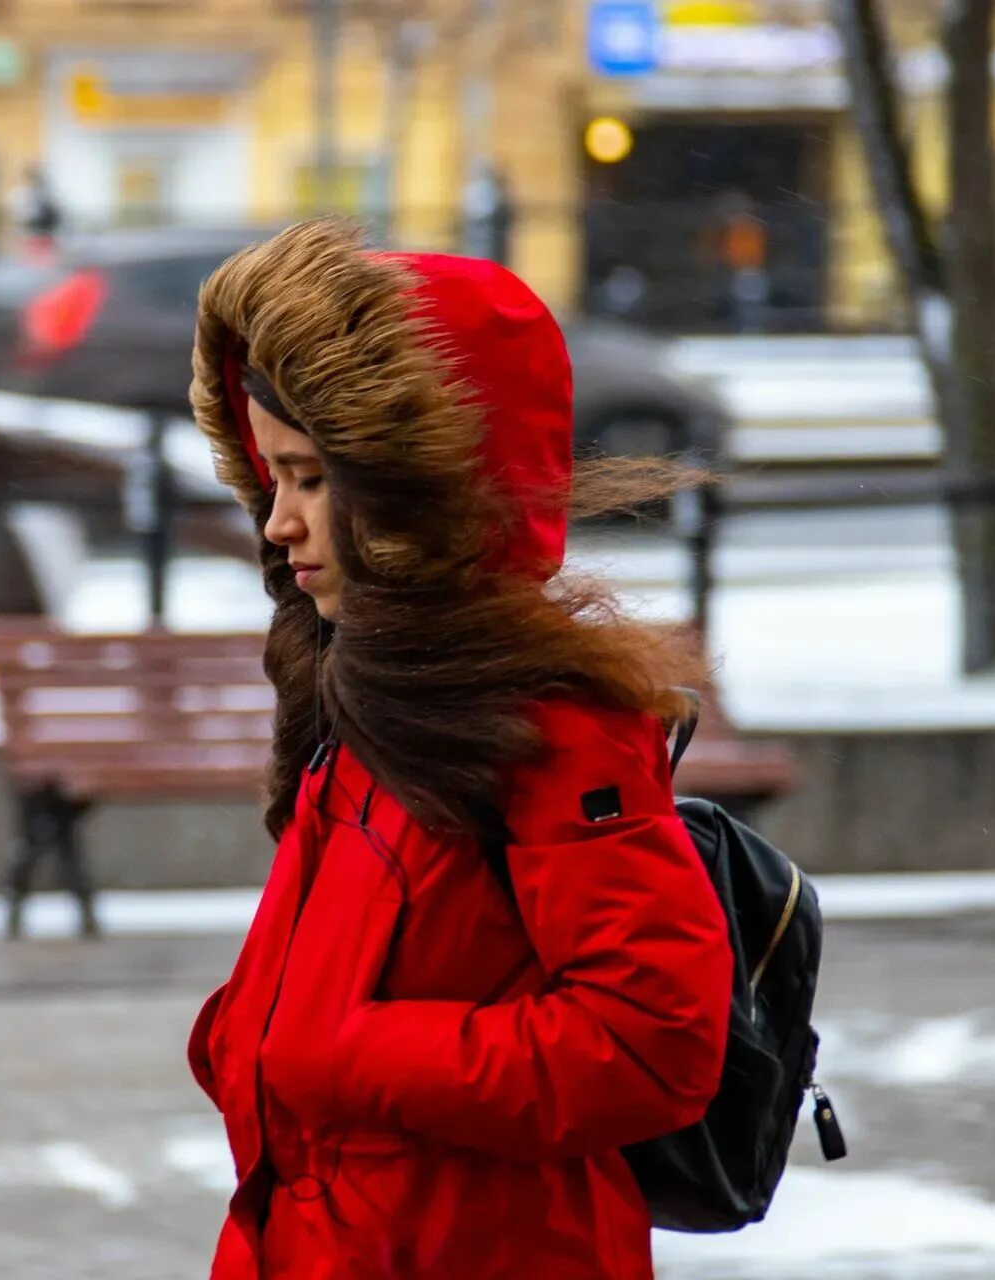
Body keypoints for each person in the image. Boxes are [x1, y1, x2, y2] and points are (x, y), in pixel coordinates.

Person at [186, 218, 734, 1278]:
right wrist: (244, 1031)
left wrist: (338, 1052)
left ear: (416, 492)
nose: (277, 524)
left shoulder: (546, 723)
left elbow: (648, 1038)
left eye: (308, 478)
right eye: (272, 479)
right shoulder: (373, 697)